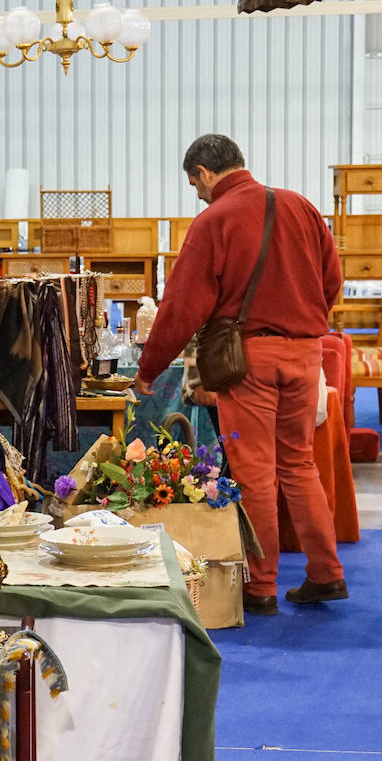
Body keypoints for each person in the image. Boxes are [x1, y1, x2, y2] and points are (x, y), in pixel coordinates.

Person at [135, 133, 345, 616]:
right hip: (305, 353)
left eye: (195, 184)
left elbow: (183, 306)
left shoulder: (214, 220)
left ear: (205, 174)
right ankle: (326, 573)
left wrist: (149, 370)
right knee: (299, 464)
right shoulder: (302, 207)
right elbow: (331, 281)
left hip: (247, 359)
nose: (198, 194)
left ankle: (262, 587)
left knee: (253, 473)